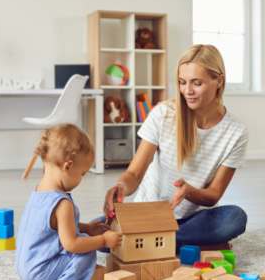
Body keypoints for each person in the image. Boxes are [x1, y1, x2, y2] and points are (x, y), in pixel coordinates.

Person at [100, 44, 249, 251]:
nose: (188, 91)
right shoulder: (163, 114)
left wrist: (190, 192)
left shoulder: (236, 132)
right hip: (149, 215)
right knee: (95, 231)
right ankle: (187, 245)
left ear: (219, 81)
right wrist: (122, 187)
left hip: (191, 221)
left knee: (235, 218)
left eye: (197, 83)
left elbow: (214, 194)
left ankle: (156, 243)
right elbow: (134, 172)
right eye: (182, 82)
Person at [16, 124, 123, 280]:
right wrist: (103, 241)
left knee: (83, 237)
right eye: (82, 173)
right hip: (40, 273)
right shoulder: (62, 203)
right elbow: (71, 244)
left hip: (26, 267)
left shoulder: (38, 192)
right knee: (86, 251)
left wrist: (87, 228)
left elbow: (52, 225)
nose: (81, 179)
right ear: (68, 167)